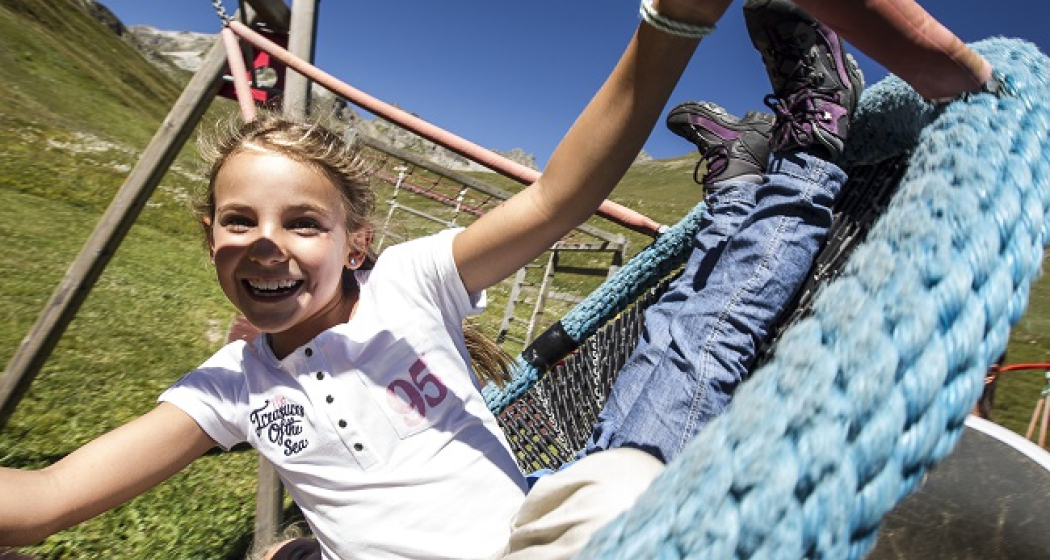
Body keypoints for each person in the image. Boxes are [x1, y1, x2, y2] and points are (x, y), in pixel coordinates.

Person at [0, 1, 729, 560]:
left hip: (522, 545)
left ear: (358, 246)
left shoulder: (408, 285)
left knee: (622, 487)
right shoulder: (231, 386)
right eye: (238, 220)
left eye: (303, 223)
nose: (264, 243)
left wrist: (672, 22)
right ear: (210, 238)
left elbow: (553, 198)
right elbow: (49, 497)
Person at [579, 0, 1002, 465]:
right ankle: (812, 145)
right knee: (709, 334)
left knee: (666, 328)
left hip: (574, 491)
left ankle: (738, 186)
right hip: (619, 518)